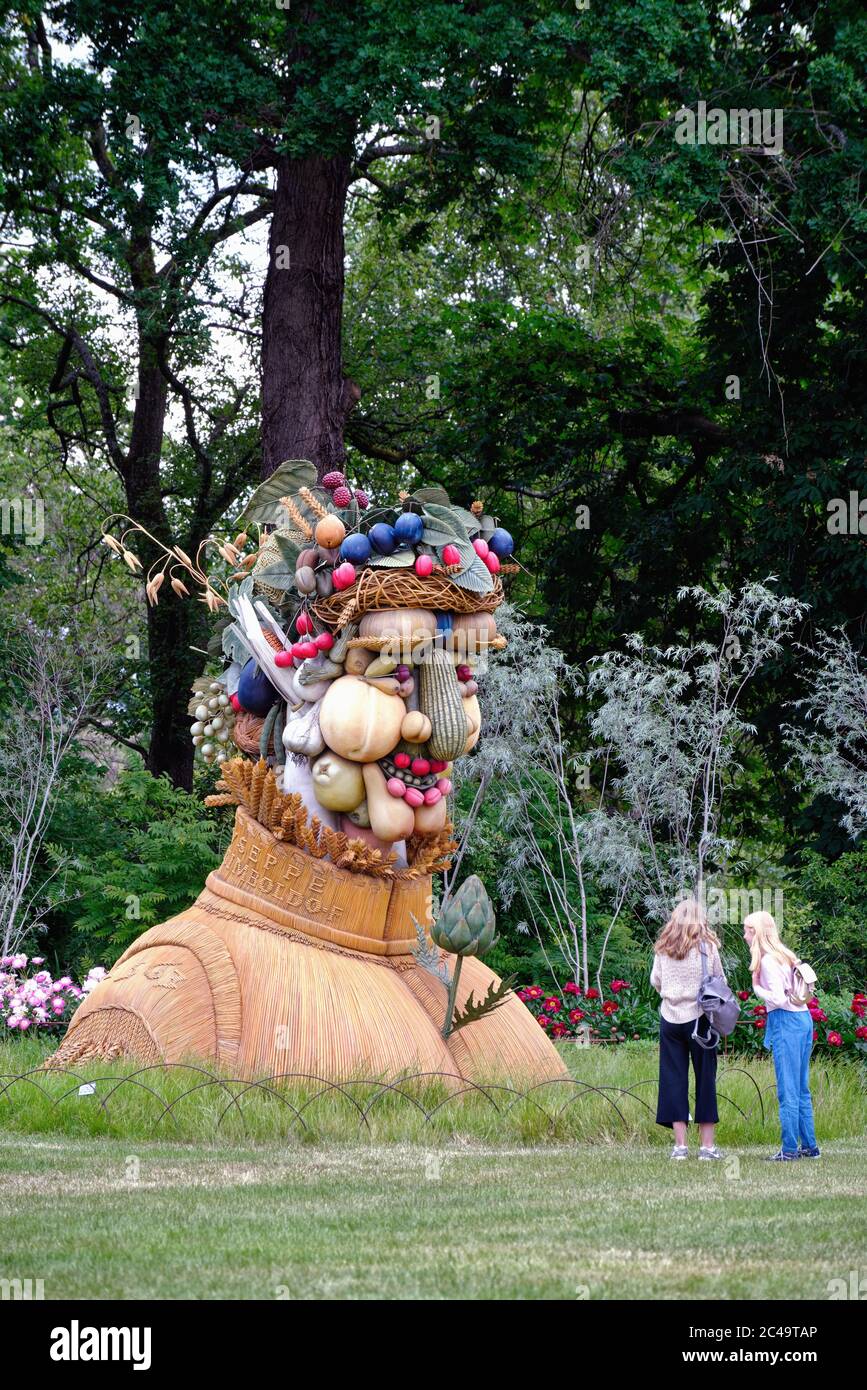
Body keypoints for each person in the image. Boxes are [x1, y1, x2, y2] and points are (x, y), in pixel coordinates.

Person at [651, 898, 726, 1159]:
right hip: (701, 1019)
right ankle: (707, 1147)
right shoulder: (708, 948)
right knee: (706, 1079)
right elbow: (720, 981)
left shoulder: (663, 948)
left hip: (670, 1018)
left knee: (673, 1080)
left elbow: (656, 981)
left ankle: (680, 1147)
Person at [744, 910, 819, 1161]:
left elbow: (777, 998)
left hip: (786, 1021)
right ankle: (809, 1147)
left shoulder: (767, 961)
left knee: (787, 1090)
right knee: (801, 1087)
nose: (744, 935)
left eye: (747, 930)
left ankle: (789, 1149)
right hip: (803, 1019)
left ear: (757, 933)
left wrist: (756, 987)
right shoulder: (786, 956)